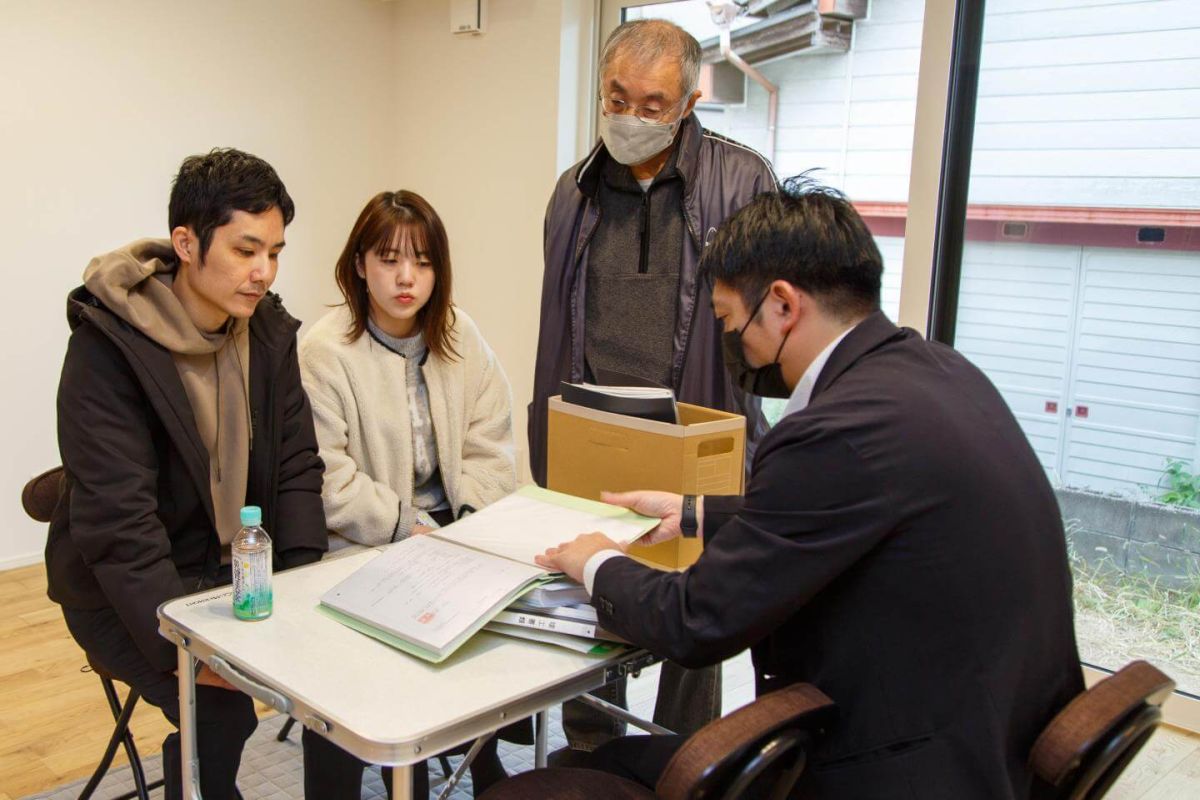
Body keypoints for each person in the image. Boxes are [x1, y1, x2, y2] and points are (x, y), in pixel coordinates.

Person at [536, 176, 1085, 798]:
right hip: (997, 737)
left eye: (728, 321)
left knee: (579, 772)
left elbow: (697, 621)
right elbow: (843, 509)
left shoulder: (831, 431)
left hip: (901, 765)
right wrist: (694, 514)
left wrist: (596, 563)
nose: (730, 345)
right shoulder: (935, 371)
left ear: (782, 305)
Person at [46, 148, 329, 800]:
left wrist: (305, 592)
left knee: (330, 669)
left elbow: (295, 468)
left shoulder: (268, 336)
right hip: (120, 594)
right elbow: (119, 529)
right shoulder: (106, 347)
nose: (263, 272)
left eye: (277, 252)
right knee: (222, 711)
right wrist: (189, 649)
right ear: (186, 243)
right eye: (245, 250)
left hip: (231, 571)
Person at [530, 16, 777, 754]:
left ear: (689, 103)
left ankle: (683, 754)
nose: (631, 117)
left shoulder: (741, 179)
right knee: (593, 589)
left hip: (693, 425)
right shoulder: (573, 193)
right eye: (618, 97)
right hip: (598, 422)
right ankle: (592, 748)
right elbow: (556, 320)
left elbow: (761, 314)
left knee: (695, 606)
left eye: (652, 104)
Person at [298, 190, 518, 798]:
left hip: (456, 527)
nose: (406, 277)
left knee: (513, 608)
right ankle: (373, 776)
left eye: (422, 262)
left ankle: (483, 750)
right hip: (362, 539)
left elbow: (490, 440)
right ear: (359, 263)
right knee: (365, 655)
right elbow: (326, 477)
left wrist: (467, 520)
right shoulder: (324, 350)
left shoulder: (459, 333)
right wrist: (406, 525)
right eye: (389, 259)